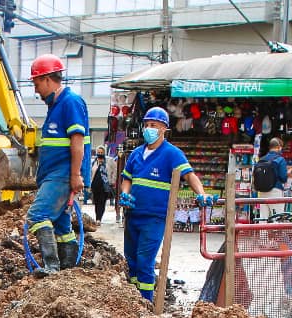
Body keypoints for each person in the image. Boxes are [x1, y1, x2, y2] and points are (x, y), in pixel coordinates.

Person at [117, 106, 212, 301]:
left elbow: (189, 175)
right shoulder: (136, 153)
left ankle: (146, 302)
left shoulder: (171, 154)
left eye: (153, 125)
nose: (148, 129)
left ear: (163, 129)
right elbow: (127, 179)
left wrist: (201, 194)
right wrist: (125, 193)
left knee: (145, 262)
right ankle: (134, 300)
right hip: (133, 215)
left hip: (155, 218)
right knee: (132, 261)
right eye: (147, 125)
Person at [26, 53, 90, 274]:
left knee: (38, 215)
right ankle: (67, 269)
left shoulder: (70, 102)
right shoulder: (56, 106)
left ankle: (52, 267)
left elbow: (77, 141)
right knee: (62, 225)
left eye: (36, 84)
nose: (35, 90)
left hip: (62, 175)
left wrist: (75, 175)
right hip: (54, 174)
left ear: (47, 79)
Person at [254, 136, 288, 221]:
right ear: (278, 147)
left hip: (262, 192)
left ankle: (262, 234)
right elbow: (283, 178)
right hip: (275, 191)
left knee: (263, 218)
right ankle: (275, 234)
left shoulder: (261, 160)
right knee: (277, 217)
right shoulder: (280, 160)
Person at [90, 147, 112, 222]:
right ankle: (97, 217)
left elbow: (114, 171)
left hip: (104, 186)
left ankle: (99, 218)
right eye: (98, 152)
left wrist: (112, 181)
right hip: (95, 185)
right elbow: (91, 173)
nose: (99, 154)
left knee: (102, 202)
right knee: (96, 202)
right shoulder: (94, 162)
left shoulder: (108, 161)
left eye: (101, 152)